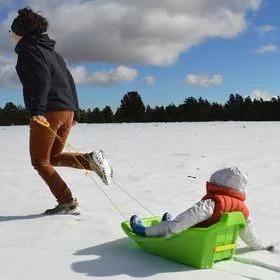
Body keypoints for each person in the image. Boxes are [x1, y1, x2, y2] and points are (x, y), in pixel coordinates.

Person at [10, 7, 113, 215]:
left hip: (49, 111)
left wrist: (36, 111)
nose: (10, 36)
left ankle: (67, 202)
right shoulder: (52, 52)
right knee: (54, 156)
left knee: (40, 161)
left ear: (21, 33)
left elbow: (41, 80)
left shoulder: (29, 50)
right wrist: (76, 111)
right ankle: (89, 159)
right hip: (67, 111)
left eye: (11, 31)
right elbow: (69, 80)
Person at [130, 167, 274, 251]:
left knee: (170, 225)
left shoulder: (215, 202)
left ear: (219, 183)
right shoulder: (242, 209)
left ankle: (144, 231)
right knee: (177, 223)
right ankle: (170, 223)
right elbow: (249, 232)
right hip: (219, 245)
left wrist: (172, 229)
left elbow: (191, 216)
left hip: (198, 239)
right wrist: (259, 246)